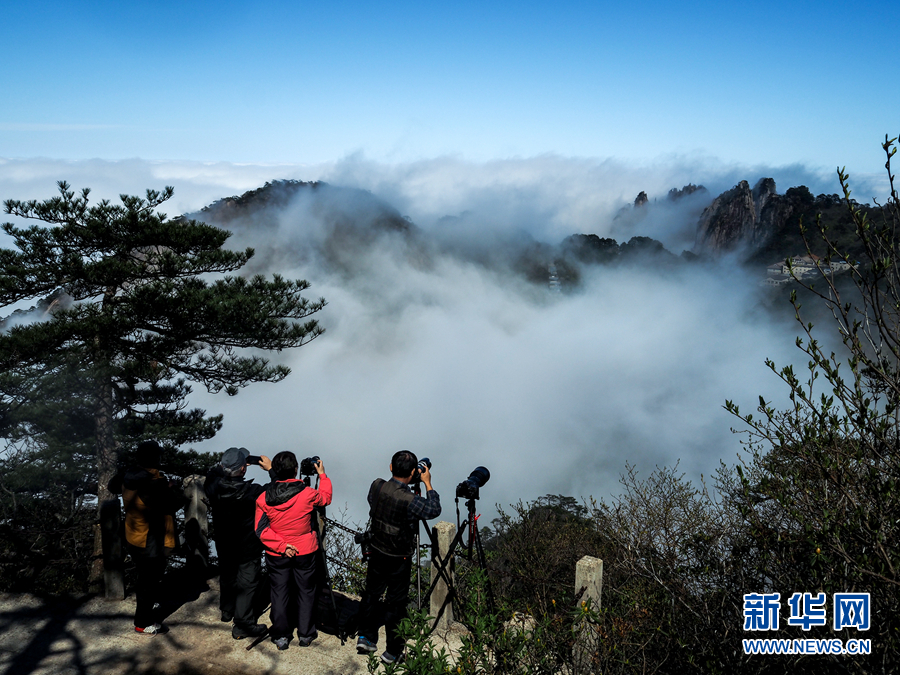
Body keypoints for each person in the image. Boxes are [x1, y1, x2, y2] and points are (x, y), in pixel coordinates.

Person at [356, 450, 441, 665]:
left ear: (391, 467)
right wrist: (428, 484)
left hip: (376, 549)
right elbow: (433, 510)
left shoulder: (377, 485)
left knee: (372, 594)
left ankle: (366, 637)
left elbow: (372, 501)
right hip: (398, 557)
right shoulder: (410, 500)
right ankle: (393, 652)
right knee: (396, 603)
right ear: (414, 473)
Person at [254, 451, 332, 650]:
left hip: (277, 553)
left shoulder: (263, 498)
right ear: (296, 470)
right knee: (306, 591)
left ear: (275, 471)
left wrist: (281, 546)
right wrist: (322, 475)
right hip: (305, 551)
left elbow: (260, 529)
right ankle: (305, 634)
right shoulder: (307, 494)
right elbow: (325, 498)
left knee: (279, 593)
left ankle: (281, 635)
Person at [111, 440, 184, 635]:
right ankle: (142, 623)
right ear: (156, 459)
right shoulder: (154, 483)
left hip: (133, 535)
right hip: (149, 541)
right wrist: (172, 487)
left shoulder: (128, 476)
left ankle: (145, 613)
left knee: (146, 578)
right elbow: (175, 502)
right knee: (148, 582)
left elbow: (112, 486)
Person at [204, 447, 272, 640]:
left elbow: (212, 473)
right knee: (247, 581)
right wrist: (271, 469)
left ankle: (227, 610)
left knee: (227, 573)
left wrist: (230, 464)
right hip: (247, 545)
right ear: (243, 469)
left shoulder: (213, 487)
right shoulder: (254, 492)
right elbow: (277, 488)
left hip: (224, 542)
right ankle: (242, 625)